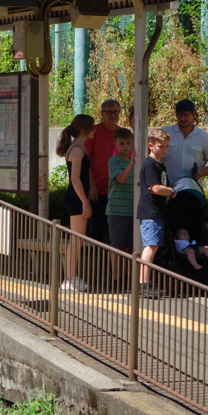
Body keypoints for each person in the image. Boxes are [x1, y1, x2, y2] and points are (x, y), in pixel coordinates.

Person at [57, 114, 96, 292]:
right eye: (92, 127)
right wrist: (85, 201)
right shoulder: (78, 149)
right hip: (76, 197)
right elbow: (75, 178)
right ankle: (69, 279)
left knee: (77, 239)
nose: (95, 130)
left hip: (76, 197)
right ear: (84, 129)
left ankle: (71, 277)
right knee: (76, 240)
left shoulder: (78, 147)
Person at [138, 128, 176, 299]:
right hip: (150, 211)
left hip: (157, 211)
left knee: (153, 246)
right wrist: (172, 191)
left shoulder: (160, 165)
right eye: (161, 146)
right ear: (151, 146)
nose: (164, 150)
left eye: (167, 146)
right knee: (151, 246)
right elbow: (155, 188)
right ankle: (143, 284)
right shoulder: (149, 164)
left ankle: (146, 282)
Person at [85, 99, 122, 244]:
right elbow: (85, 161)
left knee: (116, 232)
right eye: (109, 112)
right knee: (96, 231)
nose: (112, 115)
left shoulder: (122, 133)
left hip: (116, 190)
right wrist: (91, 186)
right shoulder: (93, 133)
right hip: (97, 191)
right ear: (102, 113)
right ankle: (94, 262)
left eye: (115, 112)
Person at [162, 99, 208, 184]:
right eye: (179, 115)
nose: (182, 118)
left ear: (194, 114)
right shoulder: (165, 133)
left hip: (192, 189)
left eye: (186, 114)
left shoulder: (204, 137)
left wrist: (201, 173)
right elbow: (151, 156)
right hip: (166, 188)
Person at [107, 128, 136, 261]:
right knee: (117, 246)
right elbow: (121, 178)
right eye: (122, 143)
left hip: (132, 210)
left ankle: (128, 277)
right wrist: (132, 163)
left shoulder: (135, 162)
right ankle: (116, 279)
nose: (125, 146)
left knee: (130, 247)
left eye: (128, 143)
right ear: (115, 144)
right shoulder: (113, 161)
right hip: (117, 210)